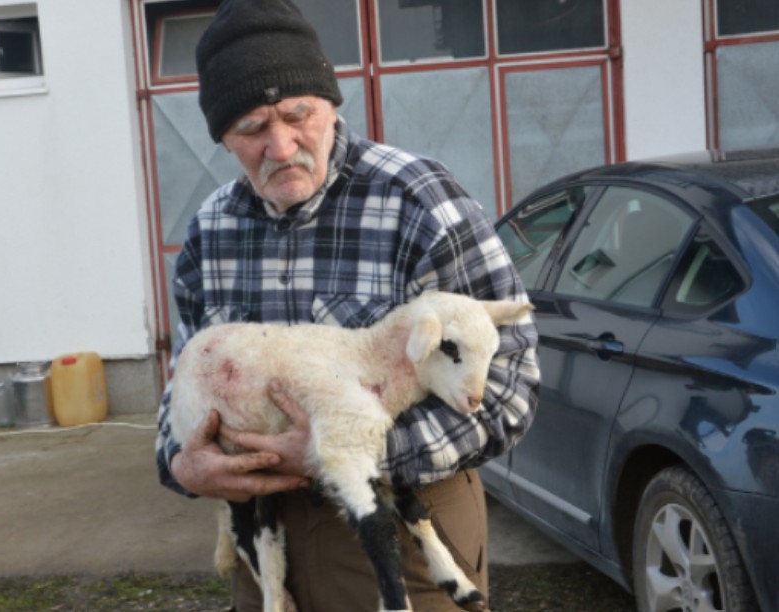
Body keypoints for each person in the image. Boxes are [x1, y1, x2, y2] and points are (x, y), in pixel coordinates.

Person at [155, 0, 541, 609]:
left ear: (332, 104)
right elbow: (182, 379)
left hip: (401, 535)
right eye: (252, 129)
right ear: (224, 138)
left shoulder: (420, 201)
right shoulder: (211, 231)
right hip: (267, 545)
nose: (281, 147)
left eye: (298, 115)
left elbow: (509, 390)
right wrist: (180, 463)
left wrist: (343, 451)